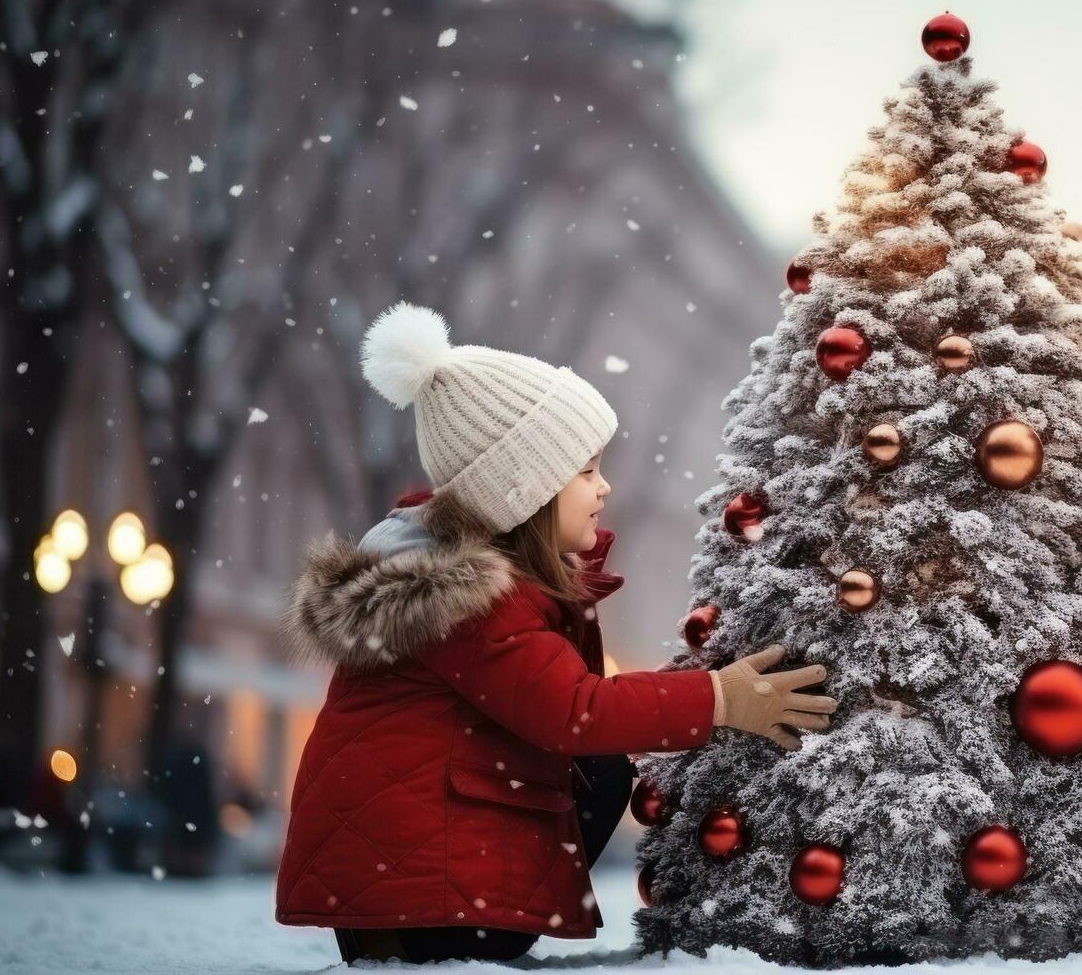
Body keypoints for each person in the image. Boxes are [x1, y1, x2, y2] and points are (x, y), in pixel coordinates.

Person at [274, 303, 836, 965]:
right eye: (586, 470)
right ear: (525, 488)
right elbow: (575, 710)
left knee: (596, 770)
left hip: (425, 880)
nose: (604, 487)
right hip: (426, 890)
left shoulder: (474, 581)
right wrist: (718, 698)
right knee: (594, 760)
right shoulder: (465, 599)